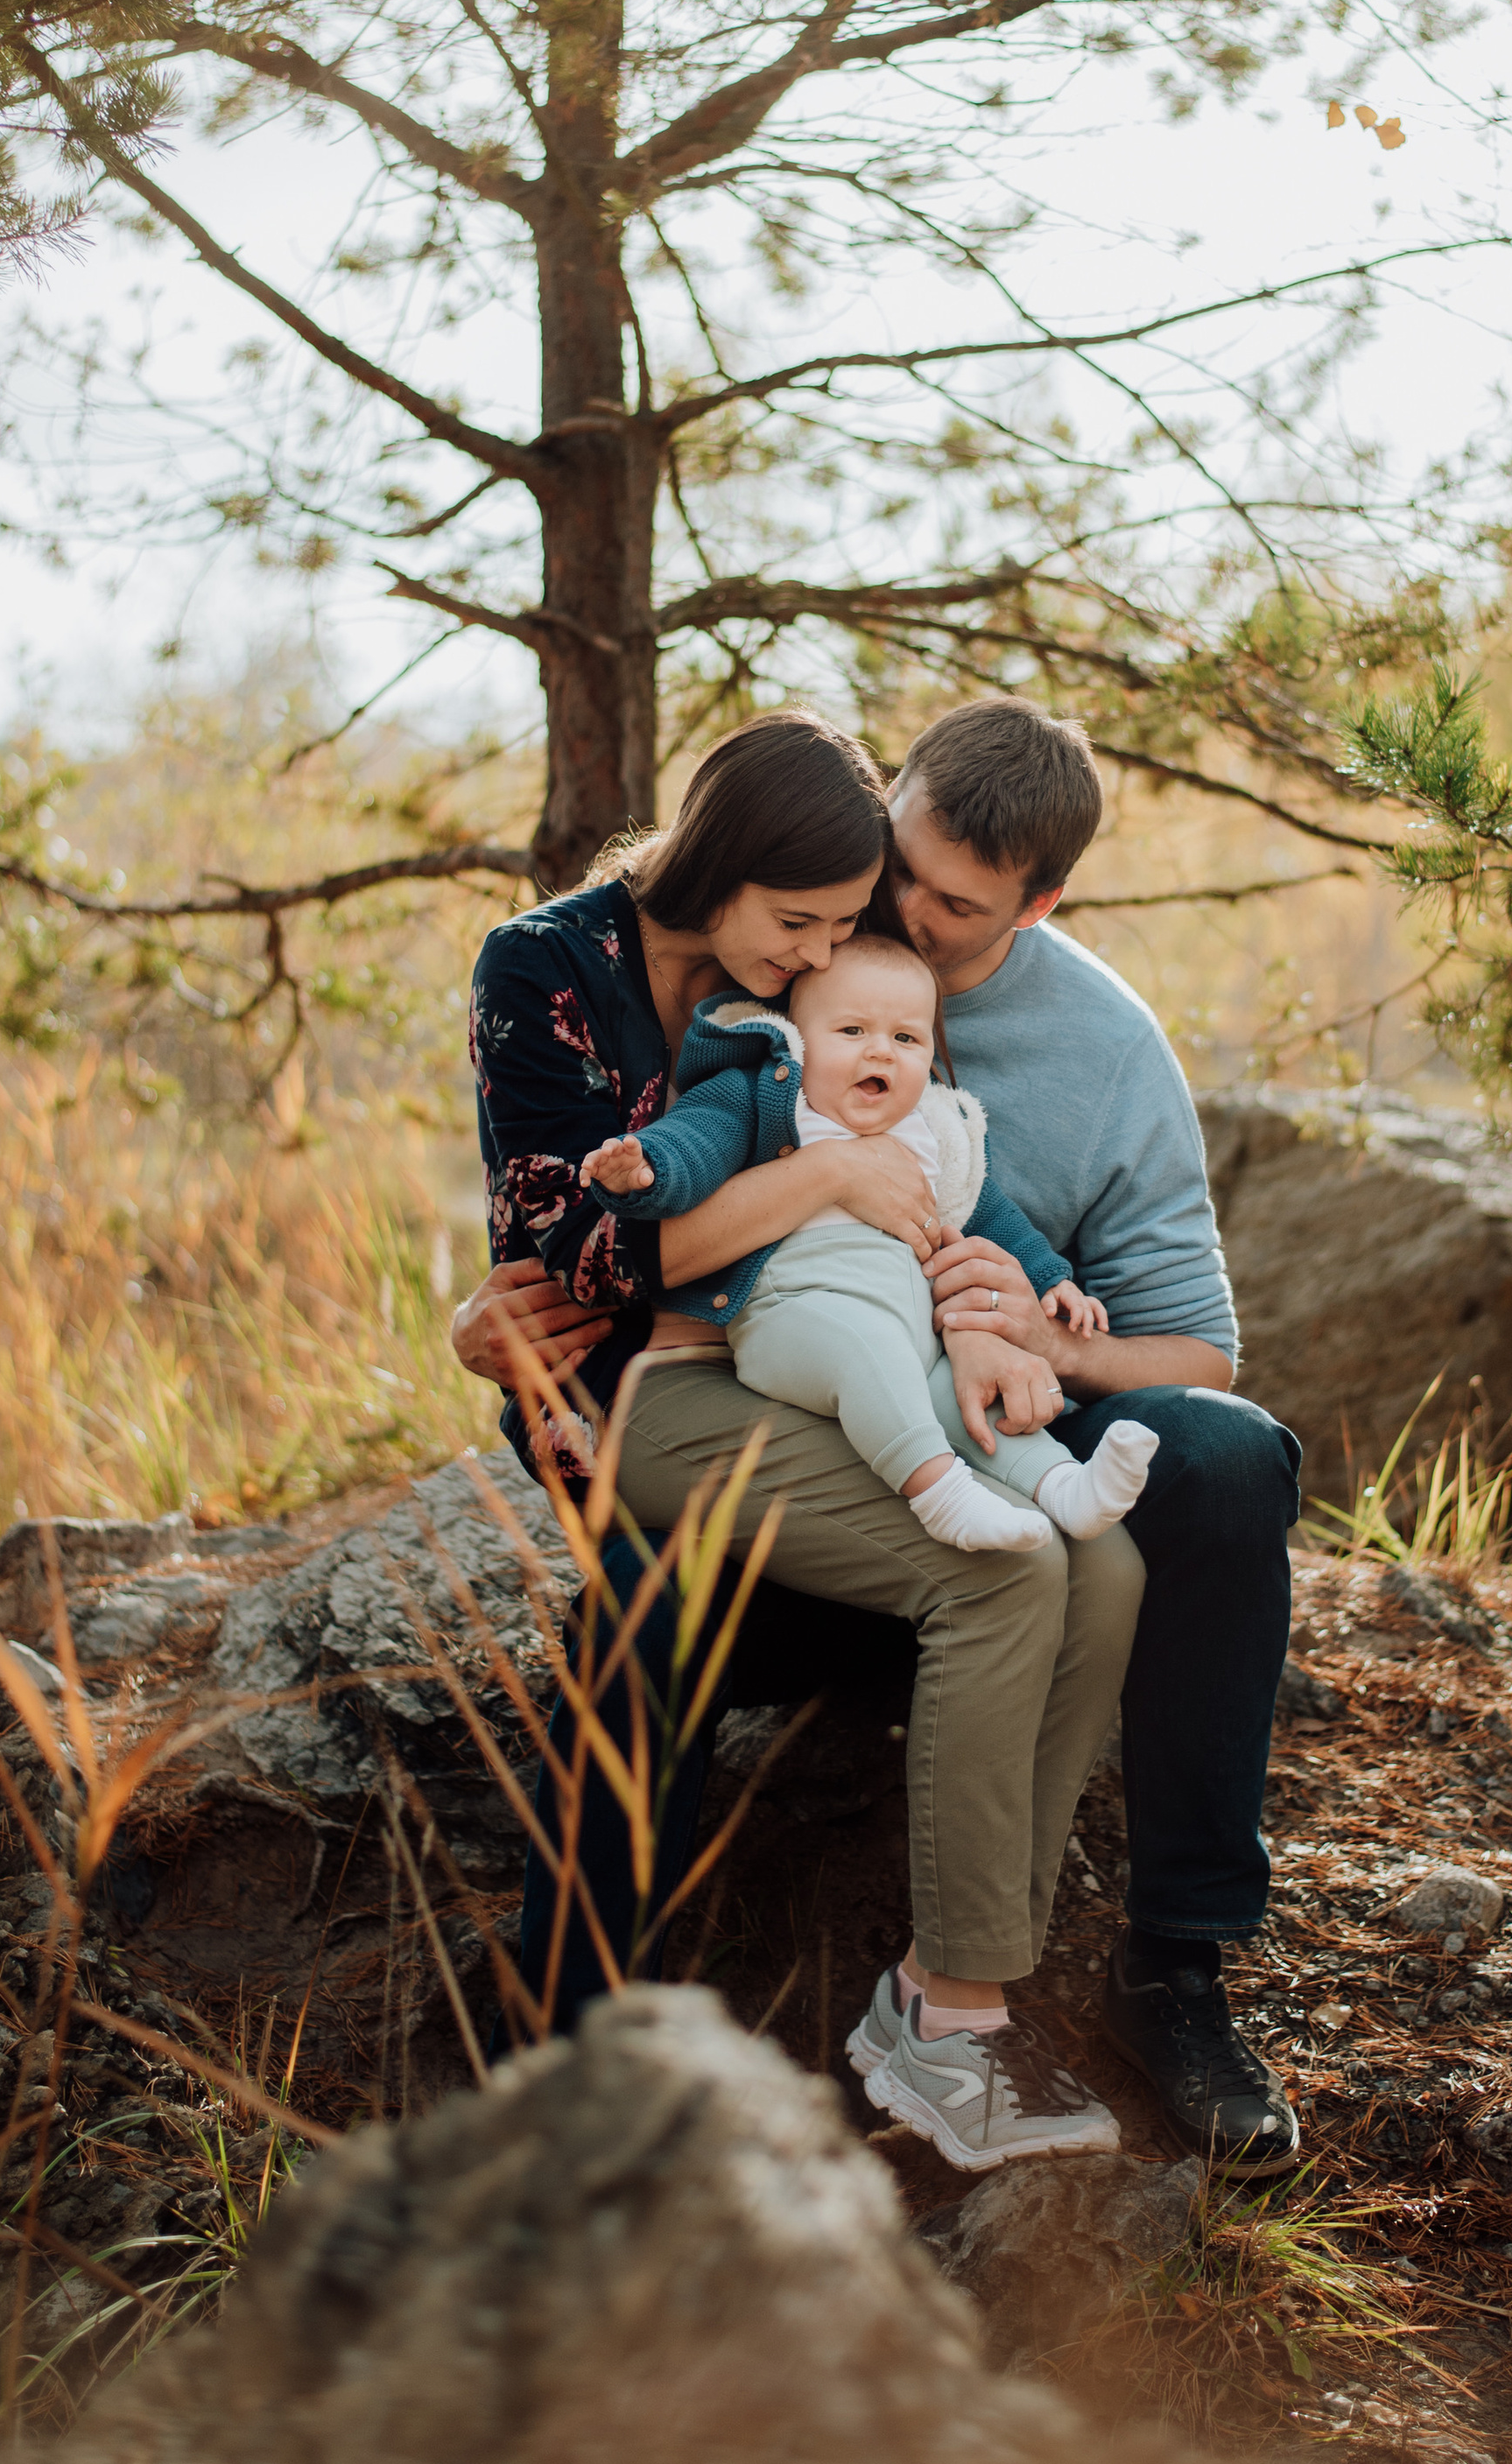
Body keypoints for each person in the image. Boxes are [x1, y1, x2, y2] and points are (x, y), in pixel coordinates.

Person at [459, 696, 1304, 2175]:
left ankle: (1139, 1971)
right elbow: (591, 1237)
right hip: (726, 1428)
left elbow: (1194, 1343)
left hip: (951, 1434)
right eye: (870, 882)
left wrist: (1025, 1322)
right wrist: (821, 1184)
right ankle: (573, 2065)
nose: (876, 923)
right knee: (647, 1615)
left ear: (1037, 905)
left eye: (935, 906)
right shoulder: (673, 980)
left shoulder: (1097, 1045)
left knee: (1185, 1488)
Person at [580, 930, 1162, 1553]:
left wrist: (1052, 1281)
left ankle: (1064, 1488)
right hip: (796, 1318)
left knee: (964, 1396)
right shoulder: (769, 1095)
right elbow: (698, 1140)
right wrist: (647, 1170)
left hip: (915, 1336)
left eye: (905, 1039)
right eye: (853, 1032)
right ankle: (942, 1495)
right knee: (870, 1352)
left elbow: (990, 1215)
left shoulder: (936, 1131)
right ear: (798, 1038)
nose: (880, 1053)